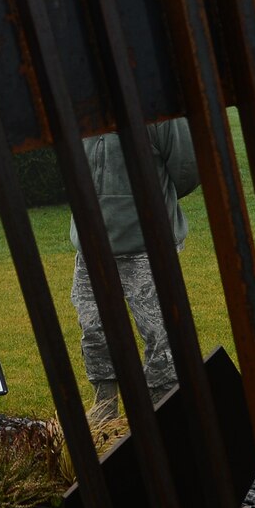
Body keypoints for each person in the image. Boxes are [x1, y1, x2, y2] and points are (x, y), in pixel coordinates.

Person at [67, 118, 199, 423]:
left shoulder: (156, 110)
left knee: (158, 333)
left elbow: (187, 169)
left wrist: (150, 203)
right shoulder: (78, 104)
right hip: (91, 248)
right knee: (93, 328)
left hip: (148, 247)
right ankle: (105, 410)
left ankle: (166, 410)